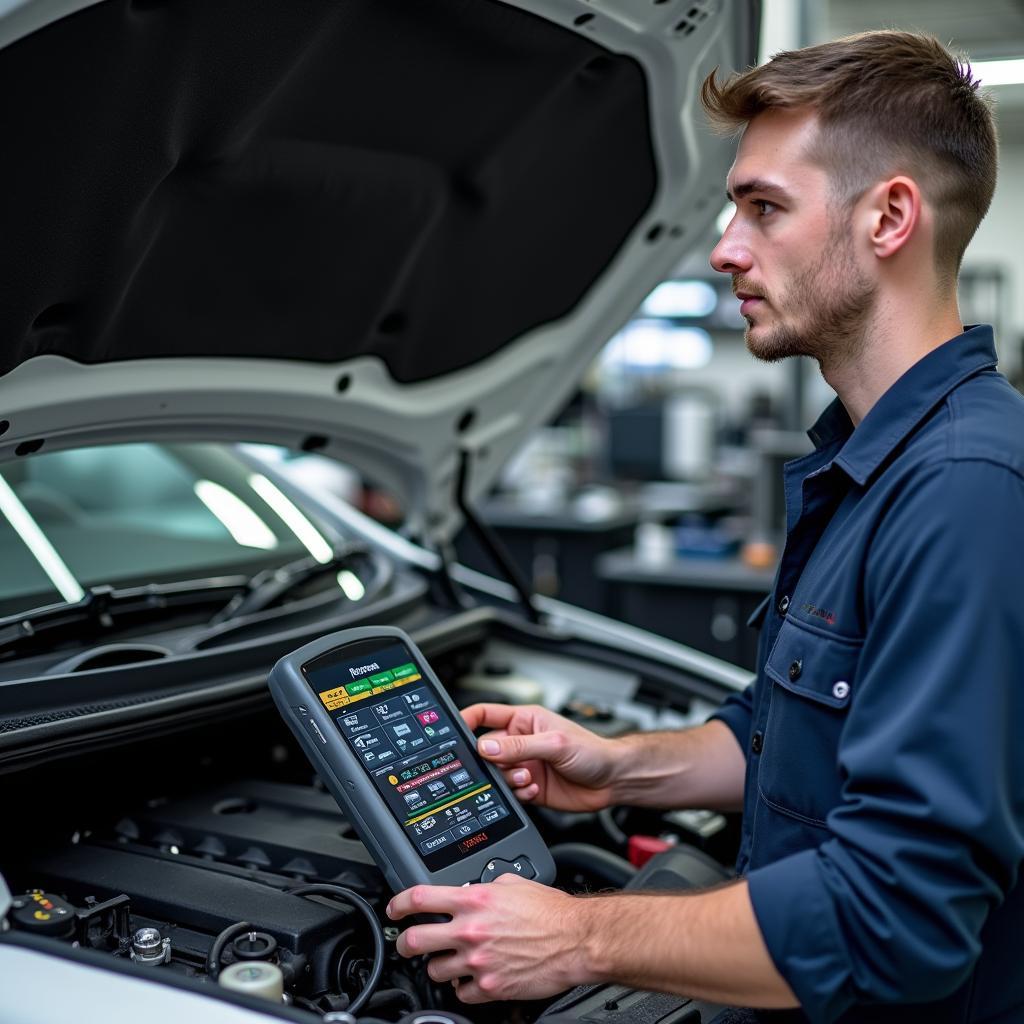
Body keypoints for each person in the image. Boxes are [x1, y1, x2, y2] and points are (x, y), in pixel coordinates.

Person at [388, 30, 1024, 1022]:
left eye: (763, 208)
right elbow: (793, 733)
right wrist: (617, 765)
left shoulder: (965, 492)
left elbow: (897, 916)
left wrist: (573, 935)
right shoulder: (872, 467)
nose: (726, 247)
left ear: (889, 217)